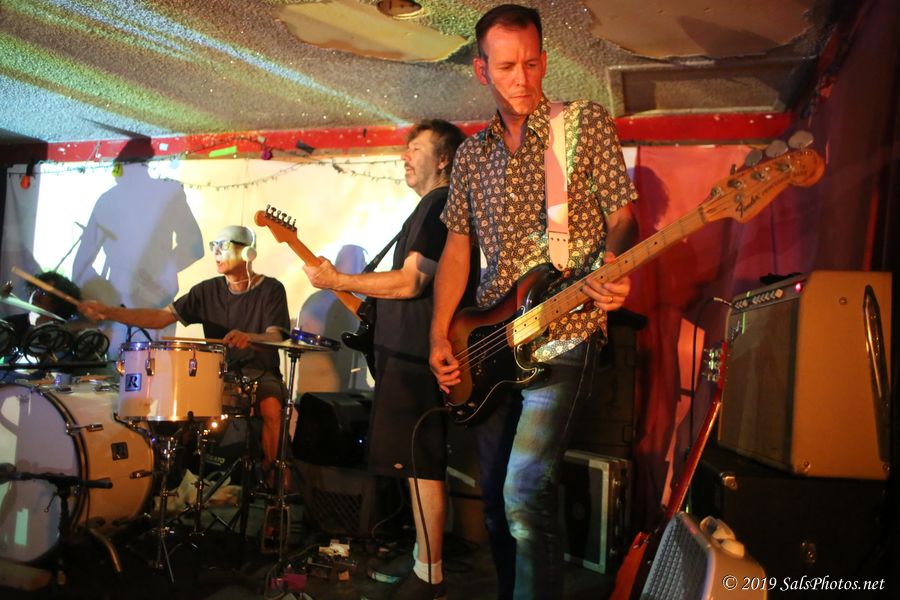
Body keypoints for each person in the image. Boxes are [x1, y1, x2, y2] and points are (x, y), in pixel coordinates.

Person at [428, 5, 639, 599]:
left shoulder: (584, 124)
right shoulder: (471, 157)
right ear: (481, 71)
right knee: (495, 503)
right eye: (505, 67)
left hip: (566, 330)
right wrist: (440, 335)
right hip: (489, 343)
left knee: (524, 492)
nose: (521, 79)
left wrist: (614, 261)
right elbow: (457, 251)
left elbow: (623, 217)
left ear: (544, 61)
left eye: (530, 64)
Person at [302, 119, 477, 600]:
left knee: (423, 467)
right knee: (417, 467)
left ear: (444, 159)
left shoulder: (439, 205)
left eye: (415, 148)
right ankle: (423, 561)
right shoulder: (430, 208)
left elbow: (411, 282)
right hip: (409, 354)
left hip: (418, 356)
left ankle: (430, 577)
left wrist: (338, 280)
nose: (404, 156)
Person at [79, 225, 291, 481]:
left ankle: (272, 476)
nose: (216, 252)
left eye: (223, 246)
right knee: (176, 401)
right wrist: (109, 312)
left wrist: (250, 338)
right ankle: (175, 473)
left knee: (271, 406)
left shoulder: (271, 289)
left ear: (248, 253)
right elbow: (160, 317)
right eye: (213, 246)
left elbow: (276, 336)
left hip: (260, 371)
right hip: (217, 371)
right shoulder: (206, 291)